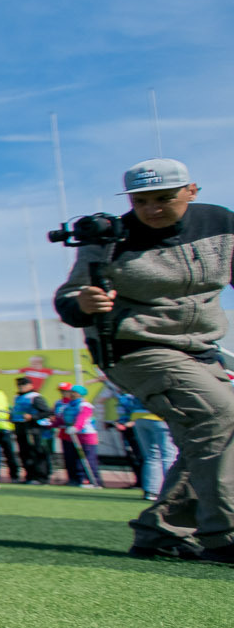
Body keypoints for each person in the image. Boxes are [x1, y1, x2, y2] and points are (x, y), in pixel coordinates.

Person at [58, 158, 233, 560]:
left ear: (191, 190)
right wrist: (83, 301)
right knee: (217, 416)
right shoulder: (109, 237)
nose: (152, 209)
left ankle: (163, 530)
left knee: (209, 434)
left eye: (164, 199)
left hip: (200, 347)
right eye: (141, 201)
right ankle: (225, 534)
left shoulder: (222, 224)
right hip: (135, 348)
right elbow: (68, 299)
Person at [116, 393, 176, 503]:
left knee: (151, 457)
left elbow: (125, 400)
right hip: (159, 417)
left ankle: (151, 491)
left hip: (139, 417)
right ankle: (172, 490)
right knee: (169, 455)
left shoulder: (141, 382)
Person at [54, 383, 103, 488]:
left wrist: (76, 427)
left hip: (86, 434)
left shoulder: (85, 405)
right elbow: (61, 418)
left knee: (88, 459)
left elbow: (82, 418)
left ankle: (93, 481)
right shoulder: (67, 405)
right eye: (71, 392)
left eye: (74, 392)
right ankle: (76, 479)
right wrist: (50, 424)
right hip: (72, 435)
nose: (71, 394)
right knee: (72, 458)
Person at [10, 375, 55, 485]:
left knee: (37, 452)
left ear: (30, 385)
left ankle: (41, 477)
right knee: (24, 453)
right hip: (20, 428)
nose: (21, 387)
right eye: (19, 385)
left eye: (23, 384)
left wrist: (32, 417)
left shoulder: (35, 397)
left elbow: (47, 412)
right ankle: (29, 476)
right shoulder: (18, 397)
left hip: (33, 428)